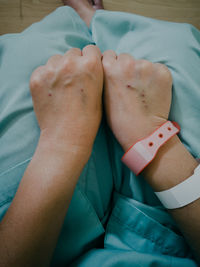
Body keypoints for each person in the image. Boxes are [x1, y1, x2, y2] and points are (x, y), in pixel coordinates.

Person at [0, 0, 200, 266]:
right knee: (172, 43)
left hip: (31, 230)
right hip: (180, 231)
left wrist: (62, 142)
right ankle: (99, 26)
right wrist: (152, 134)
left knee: (34, 52)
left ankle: (83, 26)